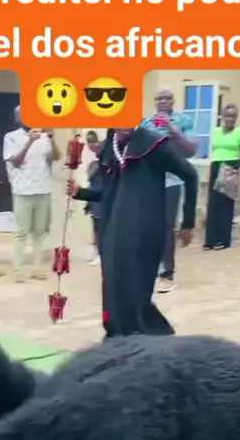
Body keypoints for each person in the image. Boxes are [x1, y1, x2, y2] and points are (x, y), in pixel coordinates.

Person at [67, 126, 198, 338]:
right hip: (114, 230)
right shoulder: (110, 147)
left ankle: (147, 337)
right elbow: (108, 192)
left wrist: (188, 223)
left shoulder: (153, 143)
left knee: (137, 291)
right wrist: (80, 192)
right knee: (113, 287)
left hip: (146, 229)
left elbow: (190, 175)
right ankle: (118, 337)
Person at [141, 88, 197, 293]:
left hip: (172, 180)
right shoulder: (145, 124)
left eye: (167, 98)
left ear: (173, 101)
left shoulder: (184, 121)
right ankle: (149, 270)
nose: (163, 101)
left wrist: (171, 128)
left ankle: (167, 273)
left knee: (166, 227)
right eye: (159, 98)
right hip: (149, 182)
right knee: (148, 226)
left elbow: (191, 149)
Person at [3, 107, 60, 282]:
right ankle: (18, 269)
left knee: (39, 232)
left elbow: (56, 157)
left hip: (43, 189)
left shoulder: (43, 136)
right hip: (23, 190)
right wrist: (29, 142)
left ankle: (37, 268)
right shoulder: (11, 137)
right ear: (17, 119)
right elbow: (16, 162)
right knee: (21, 232)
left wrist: (51, 137)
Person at [204, 104, 240, 251]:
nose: (230, 119)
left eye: (233, 116)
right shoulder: (216, 131)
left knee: (226, 204)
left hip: (230, 166)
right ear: (222, 117)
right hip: (216, 166)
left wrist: (235, 167)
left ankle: (223, 240)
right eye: (227, 116)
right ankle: (210, 240)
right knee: (213, 203)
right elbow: (214, 149)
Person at [77, 130, 101, 265]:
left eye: (93, 141)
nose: (91, 145)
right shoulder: (92, 162)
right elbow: (91, 182)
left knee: (101, 227)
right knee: (95, 226)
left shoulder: (104, 160)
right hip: (93, 197)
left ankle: (102, 252)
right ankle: (96, 252)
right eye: (89, 142)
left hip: (102, 198)